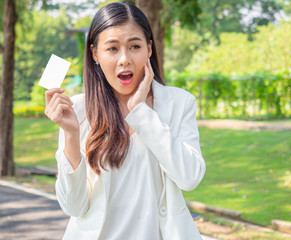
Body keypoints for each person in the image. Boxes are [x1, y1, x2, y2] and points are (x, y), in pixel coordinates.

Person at [44, 2, 206, 240]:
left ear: (149, 49)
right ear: (95, 54)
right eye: (112, 48)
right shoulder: (76, 110)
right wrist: (70, 134)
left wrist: (141, 112)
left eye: (134, 46)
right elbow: (74, 207)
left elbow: (189, 178)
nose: (124, 59)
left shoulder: (180, 103)